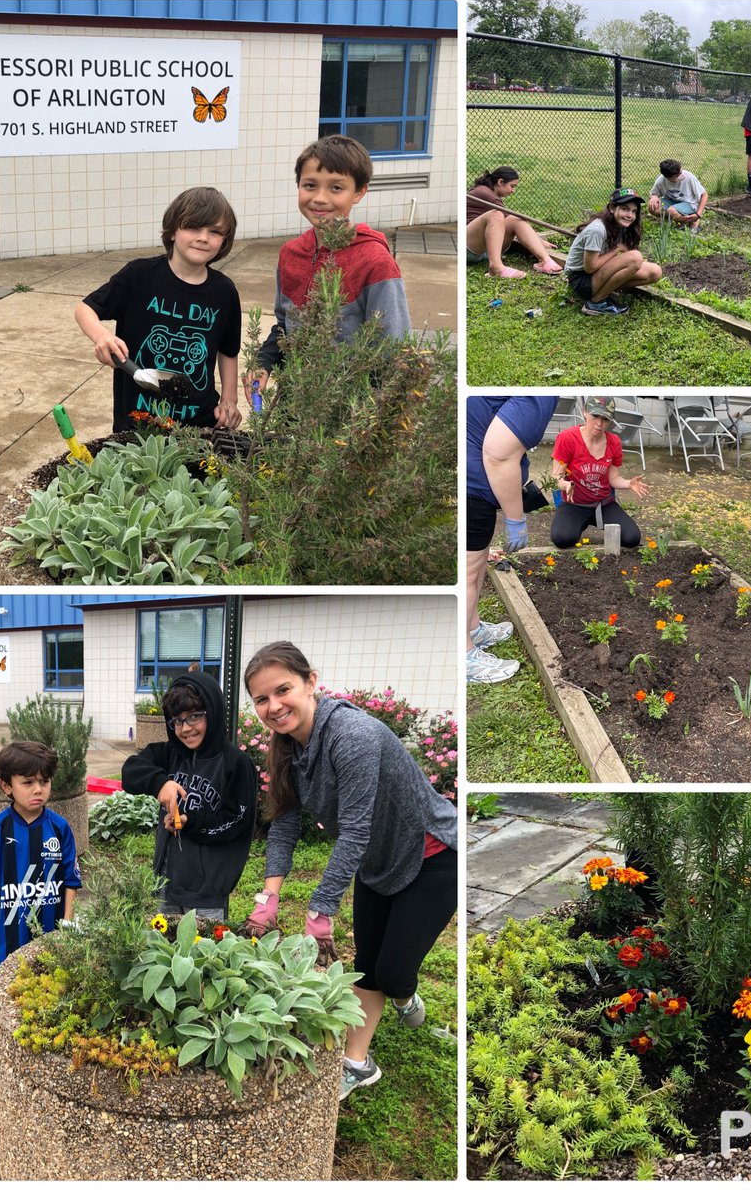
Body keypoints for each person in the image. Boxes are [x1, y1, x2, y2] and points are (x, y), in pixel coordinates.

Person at [240, 642, 457, 1102]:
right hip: (376, 863)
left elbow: (356, 829)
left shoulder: (351, 735)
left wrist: (321, 908)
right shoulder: (288, 748)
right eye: (261, 699)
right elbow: (284, 825)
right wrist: (268, 898)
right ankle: (358, 1063)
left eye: (283, 690)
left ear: (311, 682)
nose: (273, 706)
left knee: (393, 972)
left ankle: (405, 996)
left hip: (432, 856)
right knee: (367, 967)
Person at [251, 135, 413, 393]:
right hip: (296, 399)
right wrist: (264, 362)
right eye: (310, 185)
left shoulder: (375, 261)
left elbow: (393, 350)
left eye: (336, 188)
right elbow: (284, 325)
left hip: (351, 405)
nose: (320, 198)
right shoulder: (290, 253)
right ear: (298, 185)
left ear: (359, 192)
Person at [76, 186, 242, 432]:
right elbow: (85, 309)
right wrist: (102, 337)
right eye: (193, 227)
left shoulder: (224, 291)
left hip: (198, 424)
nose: (203, 237)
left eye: (215, 231)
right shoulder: (139, 275)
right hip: (138, 423)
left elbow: (228, 350)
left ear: (225, 240)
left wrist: (229, 399)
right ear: (173, 231)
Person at [122, 671, 258, 920]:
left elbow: (237, 822)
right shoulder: (169, 754)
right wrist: (160, 783)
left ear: (212, 713)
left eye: (195, 717)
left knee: (203, 945)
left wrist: (191, 821)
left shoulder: (235, 763)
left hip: (206, 892)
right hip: (165, 884)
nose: (185, 729)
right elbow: (130, 772)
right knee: (162, 943)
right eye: (177, 721)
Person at [465, 395, 559, 684]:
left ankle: (472, 628)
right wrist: (515, 518)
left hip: (474, 485)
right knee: (467, 574)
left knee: (476, 564)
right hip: (472, 486)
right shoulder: (538, 395)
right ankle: (464, 657)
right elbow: (499, 455)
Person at [0, 741, 81, 971]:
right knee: (8, 983)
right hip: (8, 933)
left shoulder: (59, 827)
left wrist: (68, 922)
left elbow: (71, 880)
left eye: (44, 781)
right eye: (28, 782)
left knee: (50, 981)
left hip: (51, 933)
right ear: (6, 786)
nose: (38, 789)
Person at [550, 397, 648, 549]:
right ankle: (577, 523)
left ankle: (595, 520)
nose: (599, 423)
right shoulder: (568, 438)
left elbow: (613, 478)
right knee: (562, 539)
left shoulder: (614, 442)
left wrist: (629, 483)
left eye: (605, 419)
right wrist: (565, 484)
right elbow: (556, 476)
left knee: (632, 538)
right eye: (595, 416)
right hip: (575, 504)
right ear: (585, 412)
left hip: (603, 504)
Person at [564, 189, 663, 317]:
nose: (630, 215)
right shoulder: (597, 229)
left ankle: (608, 289)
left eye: (634, 211)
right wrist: (616, 249)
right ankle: (596, 302)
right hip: (581, 280)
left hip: (596, 274)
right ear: (611, 208)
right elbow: (590, 268)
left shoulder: (620, 225)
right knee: (635, 258)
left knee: (655, 272)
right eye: (625, 209)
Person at [466, 166, 564, 278]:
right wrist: (539, 240)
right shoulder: (483, 192)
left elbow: (512, 219)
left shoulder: (491, 193)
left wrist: (539, 240)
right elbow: (503, 216)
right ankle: (496, 268)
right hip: (469, 248)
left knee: (515, 219)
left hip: (485, 250)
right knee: (496, 215)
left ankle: (545, 260)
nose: (513, 191)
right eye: (512, 186)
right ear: (500, 182)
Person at [647, 159, 708, 231]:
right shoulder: (661, 179)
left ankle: (692, 221)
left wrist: (698, 214)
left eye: (680, 171)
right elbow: (653, 194)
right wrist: (654, 197)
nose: (681, 174)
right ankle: (682, 221)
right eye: (677, 175)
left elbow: (704, 195)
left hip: (689, 204)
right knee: (653, 208)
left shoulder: (689, 177)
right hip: (672, 203)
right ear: (668, 178)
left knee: (671, 211)